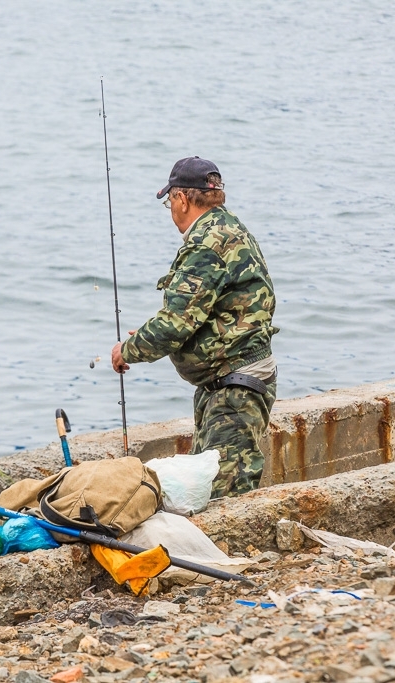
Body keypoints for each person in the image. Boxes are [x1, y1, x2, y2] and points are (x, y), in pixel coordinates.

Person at [111, 157, 278, 497]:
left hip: (235, 389)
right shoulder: (229, 226)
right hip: (230, 382)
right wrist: (149, 333)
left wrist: (127, 350)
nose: (171, 208)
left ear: (182, 199)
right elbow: (202, 310)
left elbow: (175, 324)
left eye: (169, 200)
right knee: (207, 489)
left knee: (222, 497)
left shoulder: (205, 243)